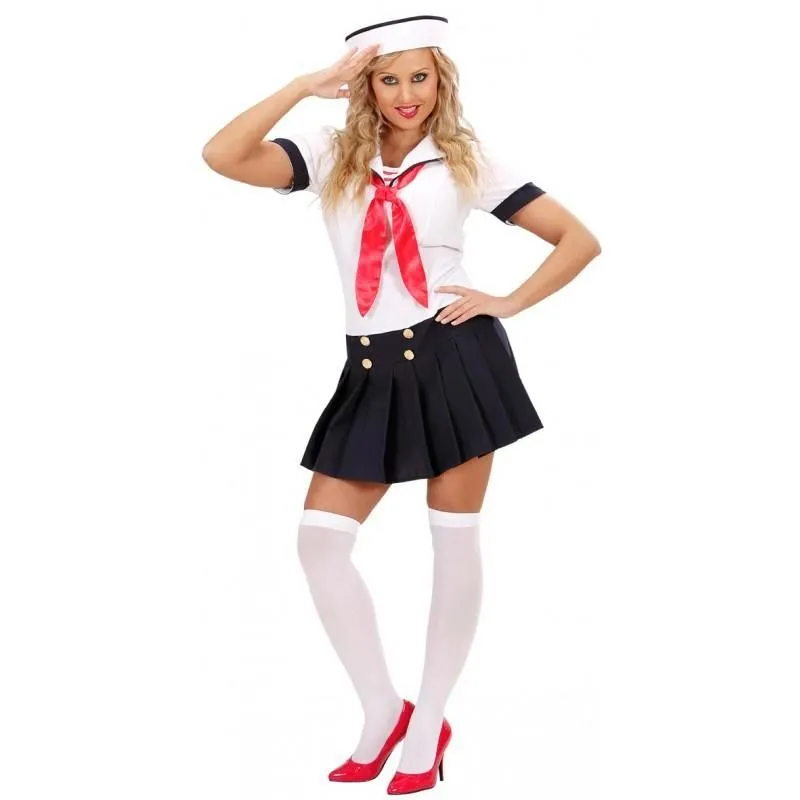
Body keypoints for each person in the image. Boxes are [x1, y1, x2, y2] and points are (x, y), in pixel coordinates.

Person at [202, 13, 601, 794]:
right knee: (320, 542)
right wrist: (303, 86)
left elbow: (578, 240)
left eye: (420, 76)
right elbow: (222, 155)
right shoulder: (330, 153)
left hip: (456, 359)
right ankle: (384, 709)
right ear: (366, 85)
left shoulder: (467, 160)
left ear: (440, 79)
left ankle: (430, 722)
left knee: (451, 542)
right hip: (371, 370)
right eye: (388, 79)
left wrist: (506, 302)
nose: (406, 93)